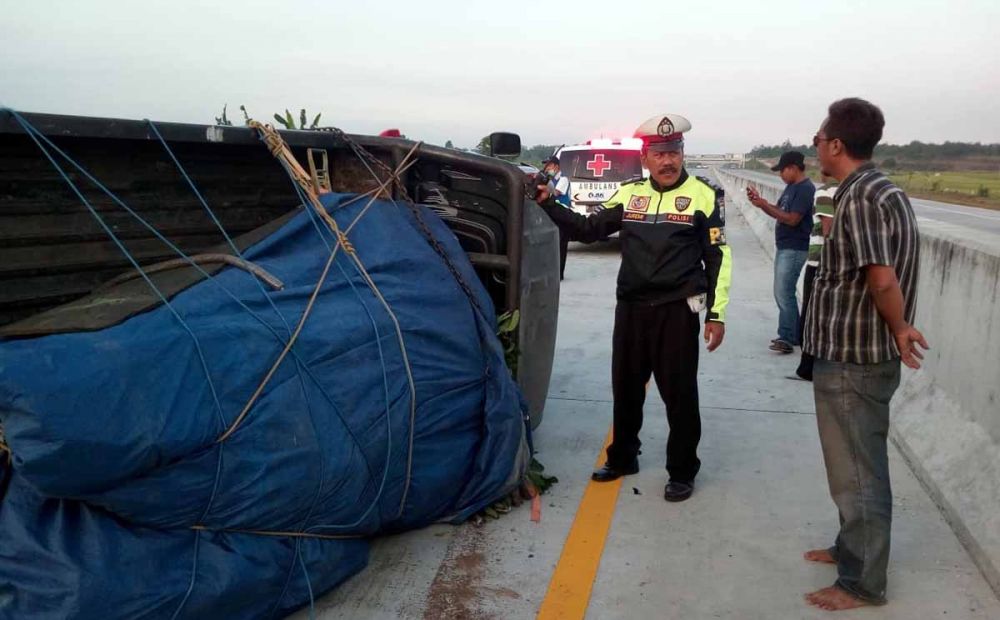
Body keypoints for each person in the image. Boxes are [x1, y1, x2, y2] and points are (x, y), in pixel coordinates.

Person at [534, 113, 732, 502]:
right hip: (631, 310)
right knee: (625, 390)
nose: (667, 161)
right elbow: (588, 230)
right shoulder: (629, 194)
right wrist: (549, 204)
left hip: (677, 311)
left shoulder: (703, 197)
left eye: (673, 152)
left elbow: (717, 256)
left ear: (682, 153)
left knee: (679, 395)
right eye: (658, 154)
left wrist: (717, 313)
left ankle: (682, 469)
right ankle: (623, 457)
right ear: (646, 158)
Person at [802, 98, 928, 611]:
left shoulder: (861, 197)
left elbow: (881, 276)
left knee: (858, 471)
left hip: (856, 357)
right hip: (851, 352)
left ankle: (862, 583)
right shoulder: (876, 191)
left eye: (818, 138)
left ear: (836, 144)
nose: (815, 146)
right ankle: (848, 547)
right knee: (848, 467)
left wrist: (899, 328)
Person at [746, 151, 815, 354]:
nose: (780, 176)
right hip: (786, 246)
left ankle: (787, 336)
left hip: (795, 247)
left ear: (793, 168)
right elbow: (779, 211)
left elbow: (792, 219)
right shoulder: (791, 188)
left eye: (782, 171)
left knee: (784, 292)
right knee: (783, 292)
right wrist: (761, 204)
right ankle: (791, 334)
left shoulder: (804, 189)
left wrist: (765, 204)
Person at [793, 175, 837, 380]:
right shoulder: (854, 190)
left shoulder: (825, 192)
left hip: (819, 263)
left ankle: (808, 367)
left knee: (810, 317)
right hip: (836, 265)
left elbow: (829, 230)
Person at [541, 155, 572, 279]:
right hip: (553, 216)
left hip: (563, 216)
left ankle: (559, 273)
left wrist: (544, 189)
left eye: (549, 165)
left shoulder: (563, 179)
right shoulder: (551, 180)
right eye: (546, 165)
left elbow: (556, 192)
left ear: (556, 166)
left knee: (561, 245)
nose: (546, 168)